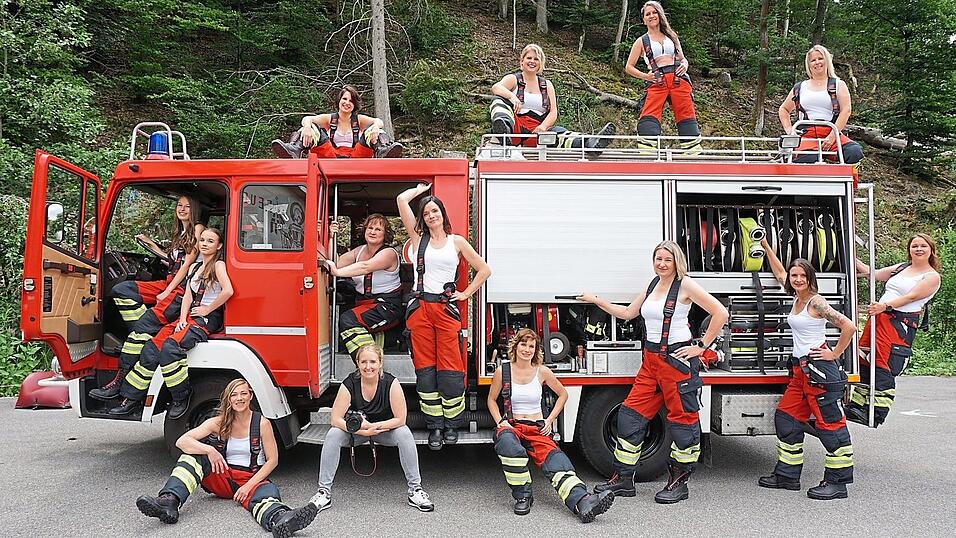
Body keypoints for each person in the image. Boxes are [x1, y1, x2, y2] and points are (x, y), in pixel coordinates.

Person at [578, 240, 728, 504]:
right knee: (629, 418)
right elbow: (627, 313)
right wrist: (596, 300)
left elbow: (720, 312)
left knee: (683, 424)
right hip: (650, 361)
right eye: (658, 259)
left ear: (676, 261)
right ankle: (624, 479)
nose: (661, 264)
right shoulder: (652, 285)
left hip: (676, 362)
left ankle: (679, 483)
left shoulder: (686, 284)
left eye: (667, 259)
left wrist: (701, 346)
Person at [135, 378, 318, 537]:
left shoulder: (262, 423)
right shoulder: (219, 422)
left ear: (250, 396)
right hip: (223, 477)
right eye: (234, 395)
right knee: (191, 457)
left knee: (265, 495)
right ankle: (169, 502)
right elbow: (182, 441)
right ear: (229, 399)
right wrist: (209, 450)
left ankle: (280, 520)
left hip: (250, 479)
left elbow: (272, 460)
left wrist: (248, 487)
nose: (239, 398)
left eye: (243, 394)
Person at [757, 239, 857, 499]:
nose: (797, 279)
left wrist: (834, 353)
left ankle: (838, 484)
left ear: (810, 277)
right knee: (787, 420)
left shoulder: (816, 302)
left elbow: (848, 326)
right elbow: (779, 272)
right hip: (800, 373)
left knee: (831, 428)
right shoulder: (796, 297)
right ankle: (787, 476)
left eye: (802, 275)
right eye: (795, 275)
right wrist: (766, 246)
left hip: (820, 372)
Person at [397, 183, 491, 450]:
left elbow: (484, 270)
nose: (431, 215)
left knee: (450, 371)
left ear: (442, 214)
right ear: (422, 219)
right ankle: (435, 427)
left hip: (445, 310)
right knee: (425, 373)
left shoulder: (456, 241)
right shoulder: (418, 241)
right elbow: (400, 199)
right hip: (420, 310)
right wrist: (418, 190)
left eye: (434, 210)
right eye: (426, 213)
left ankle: (452, 426)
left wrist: (465, 294)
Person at [487, 328, 615, 521]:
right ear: (516, 346)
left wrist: (550, 419)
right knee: (508, 445)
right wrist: (500, 422)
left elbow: (563, 394)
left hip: (536, 427)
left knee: (557, 462)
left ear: (536, 349)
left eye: (532, 346)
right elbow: (491, 400)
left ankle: (583, 501)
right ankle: (523, 497)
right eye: (523, 344)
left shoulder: (542, 371)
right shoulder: (502, 371)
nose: (527, 349)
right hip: (512, 426)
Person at [110, 228, 234, 419]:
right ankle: (130, 399)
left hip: (206, 318)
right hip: (190, 316)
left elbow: (228, 291)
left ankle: (181, 397)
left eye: (210, 241)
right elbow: (187, 296)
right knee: (151, 349)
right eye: (202, 240)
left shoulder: (218, 265)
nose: (205, 244)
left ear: (219, 246)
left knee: (170, 348)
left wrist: (207, 310)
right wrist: (182, 319)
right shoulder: (195, 268)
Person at [92, 196, 204, 401]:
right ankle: (143, 329)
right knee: (122, 290)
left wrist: (167, 291)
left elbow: (187, 265)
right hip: (169, 281)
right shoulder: (179, 232)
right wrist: (150, 245)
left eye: (187, 206)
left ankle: (118, 382)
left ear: (194, 209)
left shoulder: (197, 229)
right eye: (179, 205)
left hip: (180, 288)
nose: (182, 209)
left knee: (140, 332)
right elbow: (173, 261)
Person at [309, 344, 435, 512]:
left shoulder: (391, 383)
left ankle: (415, 490)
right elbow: (335, 419)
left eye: (373, 362)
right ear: (357, 363)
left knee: (404, 433)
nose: (368, 367)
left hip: (383, 431)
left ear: (381, 363)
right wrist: (362, 430)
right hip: (358, 432)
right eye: (364, 362)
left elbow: (400, 419)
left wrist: (374, 427)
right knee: (333, 434)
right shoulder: (349, 383)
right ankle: (323, 492)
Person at [846, 233, 941, 426]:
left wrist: (885, 306)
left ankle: (877, 411)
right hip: (879, 318)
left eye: (923, 246)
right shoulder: (901, 268)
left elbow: (911, 297)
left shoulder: (931, 276)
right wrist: (847, 251)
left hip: (897, 324)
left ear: (931, 250)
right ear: (909, 250)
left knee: (883, 364)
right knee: (865, 358)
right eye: (915, 246)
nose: (919, 249)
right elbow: (871, 272)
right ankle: (858, 406)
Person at [489, 43, 615, 150]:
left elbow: (553, 111)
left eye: (536, 59)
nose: (532, 61)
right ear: (522, 61)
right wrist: (512, 96)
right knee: (498, 101)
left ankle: (590, 143)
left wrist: (542, 127)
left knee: (561, 134)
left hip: (538, 130)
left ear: (541, 63)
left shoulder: (546, 85)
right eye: (529, 58)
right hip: (515, 126)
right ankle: (503, 130)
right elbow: (496, 88)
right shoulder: (513, 79)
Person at [625, 1, 702, 154]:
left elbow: (683, 58)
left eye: (654, 12)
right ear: (644, 19)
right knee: (649, 114)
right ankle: (648, 153)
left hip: (678, 79)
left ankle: (693, 154)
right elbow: (628, 67)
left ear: (659, 14)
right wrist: (646, 76)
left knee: (686, 113)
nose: (651, 16)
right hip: (657, 81)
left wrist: (685, 65)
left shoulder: (671, 36)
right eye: (648, 14)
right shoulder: (641, 41)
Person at [324, 215, 403, 363]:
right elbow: (335, 263)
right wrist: (330, 237)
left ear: (385, 234)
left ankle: (370, 362)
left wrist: (338, 273)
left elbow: (365, 267)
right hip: (364, 305)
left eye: (378, 229)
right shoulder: (358, 251)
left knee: (347, 320)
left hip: (386, 307)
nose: (373, 232)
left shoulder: (389, 253)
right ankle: (383, 343)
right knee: (345, 331)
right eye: (370, 228)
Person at [778, 45, 863, 164]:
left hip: (831, 131)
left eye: (820, 58)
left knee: (854, 152)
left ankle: (844, 181)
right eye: (813, 60)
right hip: (807, 134)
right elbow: (784, 109)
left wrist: (833, 135)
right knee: (808, 158)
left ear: (827, 60)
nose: (817, 62)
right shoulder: (800, 87)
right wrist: (789, 130)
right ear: (809, 65)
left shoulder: (838, 85)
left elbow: (846, 110)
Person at [271, 85, 403, 159]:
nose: (347, 103)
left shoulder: (359, 120)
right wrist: (306, 127)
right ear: (339, 101)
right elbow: (307, 119)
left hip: (356, 157)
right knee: (311, 127)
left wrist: (375, 127)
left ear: (355, 104)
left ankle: (383, 151)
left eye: (351, 101)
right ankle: (294, 149)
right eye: (344, 99)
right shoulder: (330, 119)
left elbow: (379, 121)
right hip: (330, 156)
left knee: (375, 130)